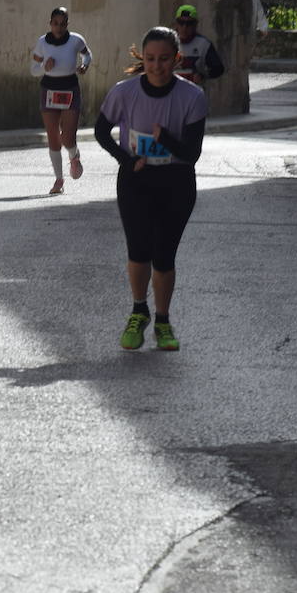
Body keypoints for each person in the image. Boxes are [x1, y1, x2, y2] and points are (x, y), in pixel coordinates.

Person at [94, 26, 208, 352]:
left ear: (177, 58)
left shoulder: (192, 97)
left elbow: (192, 154)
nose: (157, 66)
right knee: (138, 250)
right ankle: (138, 311)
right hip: (136, 180)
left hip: (176, 181)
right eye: (150, 59)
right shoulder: (124, 92)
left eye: (164, 59)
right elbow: (101, 131)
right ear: (142, 58)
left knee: (164, 256)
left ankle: (163, 321)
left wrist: (166, 138)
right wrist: (125, 159)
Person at [29, 7, 92, 194]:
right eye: (55, 23)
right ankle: (59, 180)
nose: (59, 27)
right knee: (53, 137)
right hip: (49, 89)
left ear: (67, 24)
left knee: (67, 137)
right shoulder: (42, 42)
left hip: (70, 89)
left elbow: (87, 54)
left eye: (63, 24)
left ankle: (74, 156)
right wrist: (44, 67)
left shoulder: (76, 40)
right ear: (50, 23)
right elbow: (33, 69)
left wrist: (84, 65)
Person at [172, 4, 225, 87]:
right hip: (171, 91)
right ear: (176, 24)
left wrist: (202, 75)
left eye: (189, 23)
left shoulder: (204, 44)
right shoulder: (168, 42)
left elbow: (218, 68)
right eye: (181, 22)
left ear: (195, 25)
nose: (184, 27)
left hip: (194, 91)